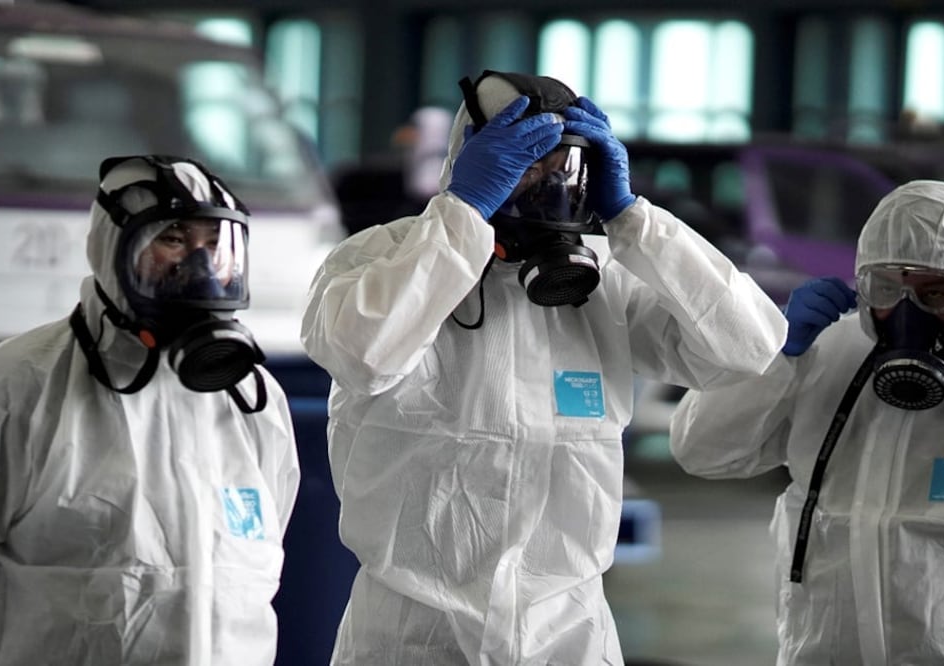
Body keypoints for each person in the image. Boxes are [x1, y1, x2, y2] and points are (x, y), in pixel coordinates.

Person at [300, 69, 786, 664]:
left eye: (566, 167)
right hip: (413, 636)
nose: (549, 186)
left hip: (567, 636)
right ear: (474, 158)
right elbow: (362, 354)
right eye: (527, 162)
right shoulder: (383, 256)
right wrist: (464, 214)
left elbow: (751, 347)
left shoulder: (604, 280)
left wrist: (634, 219)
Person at [669, 179, 944, 665]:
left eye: (935, 291)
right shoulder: (823, 354)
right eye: (886, 287)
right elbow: (699, 450)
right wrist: (776, 355)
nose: (906, 311)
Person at [0, 154, 300, 665]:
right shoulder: (17, 388)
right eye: (173, 240)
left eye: (214, 245)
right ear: (112, 248)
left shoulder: (252, 403)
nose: (198, 268)